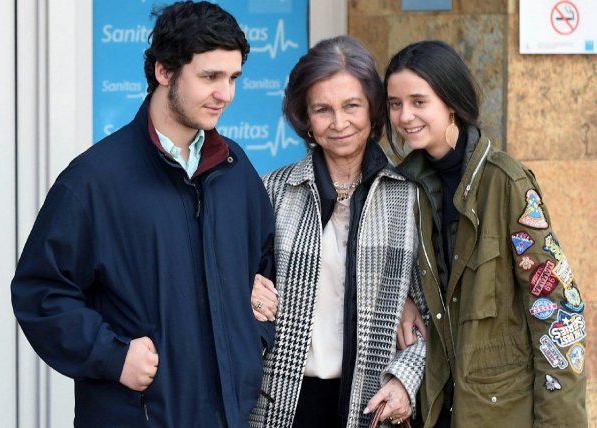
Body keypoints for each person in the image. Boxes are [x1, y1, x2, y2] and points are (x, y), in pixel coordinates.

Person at [10, 2, 276, 427]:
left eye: (232, 78)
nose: (225, 94)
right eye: (209, 77)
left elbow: (264, 263)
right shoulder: (93, 180)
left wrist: (252, 334)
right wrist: (113, 357)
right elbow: (41, 292)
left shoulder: (235, 169)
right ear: (164, 72)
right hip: (139, 416)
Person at [384, 40, 587, 427]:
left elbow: (557, 311)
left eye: (418, 101)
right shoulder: (402, 186)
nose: (405, 116)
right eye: (395, 103)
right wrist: (403, 298)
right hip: (435, 406)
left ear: (451, 103)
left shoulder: (506, 182)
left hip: (501, 412)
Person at [249, 35, 427, 428]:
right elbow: (239, 289)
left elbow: (438, 318)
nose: (339, 122)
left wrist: (405, 381)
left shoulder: (410, 198)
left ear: (373, 110)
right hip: (280, 403)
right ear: (305, 119)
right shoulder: (273, 191)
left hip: (373, 403)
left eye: (352, 106)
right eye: (323, 110)